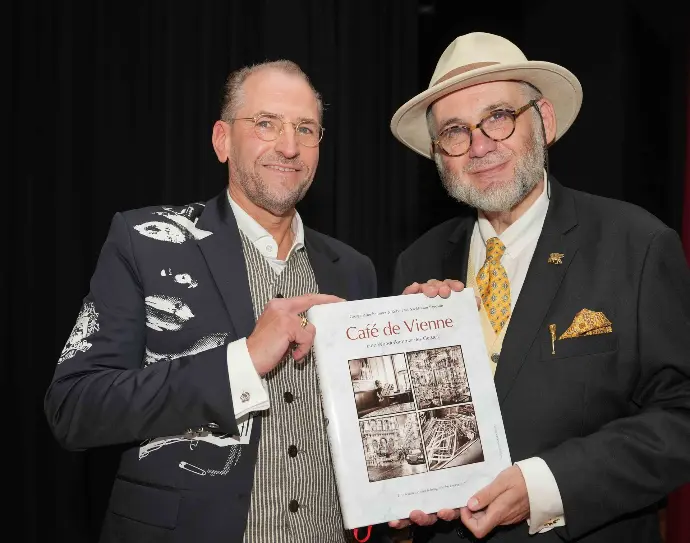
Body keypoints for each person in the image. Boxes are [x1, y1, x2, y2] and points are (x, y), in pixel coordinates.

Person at [44, 60, 378, 543]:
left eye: (305, 129)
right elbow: (74, 407)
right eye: (266, 123)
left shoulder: (354, 270)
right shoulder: (146, 241)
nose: (289, 146)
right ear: (222, 140)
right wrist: (240, 363)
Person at [387, 32, 690, 542]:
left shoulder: (635, 244)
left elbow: (682, 416)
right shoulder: (417, 263)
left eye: (499, 117)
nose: (479, 145)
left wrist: (547, 486)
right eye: (456, 131)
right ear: (439, 154)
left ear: (544, 121)